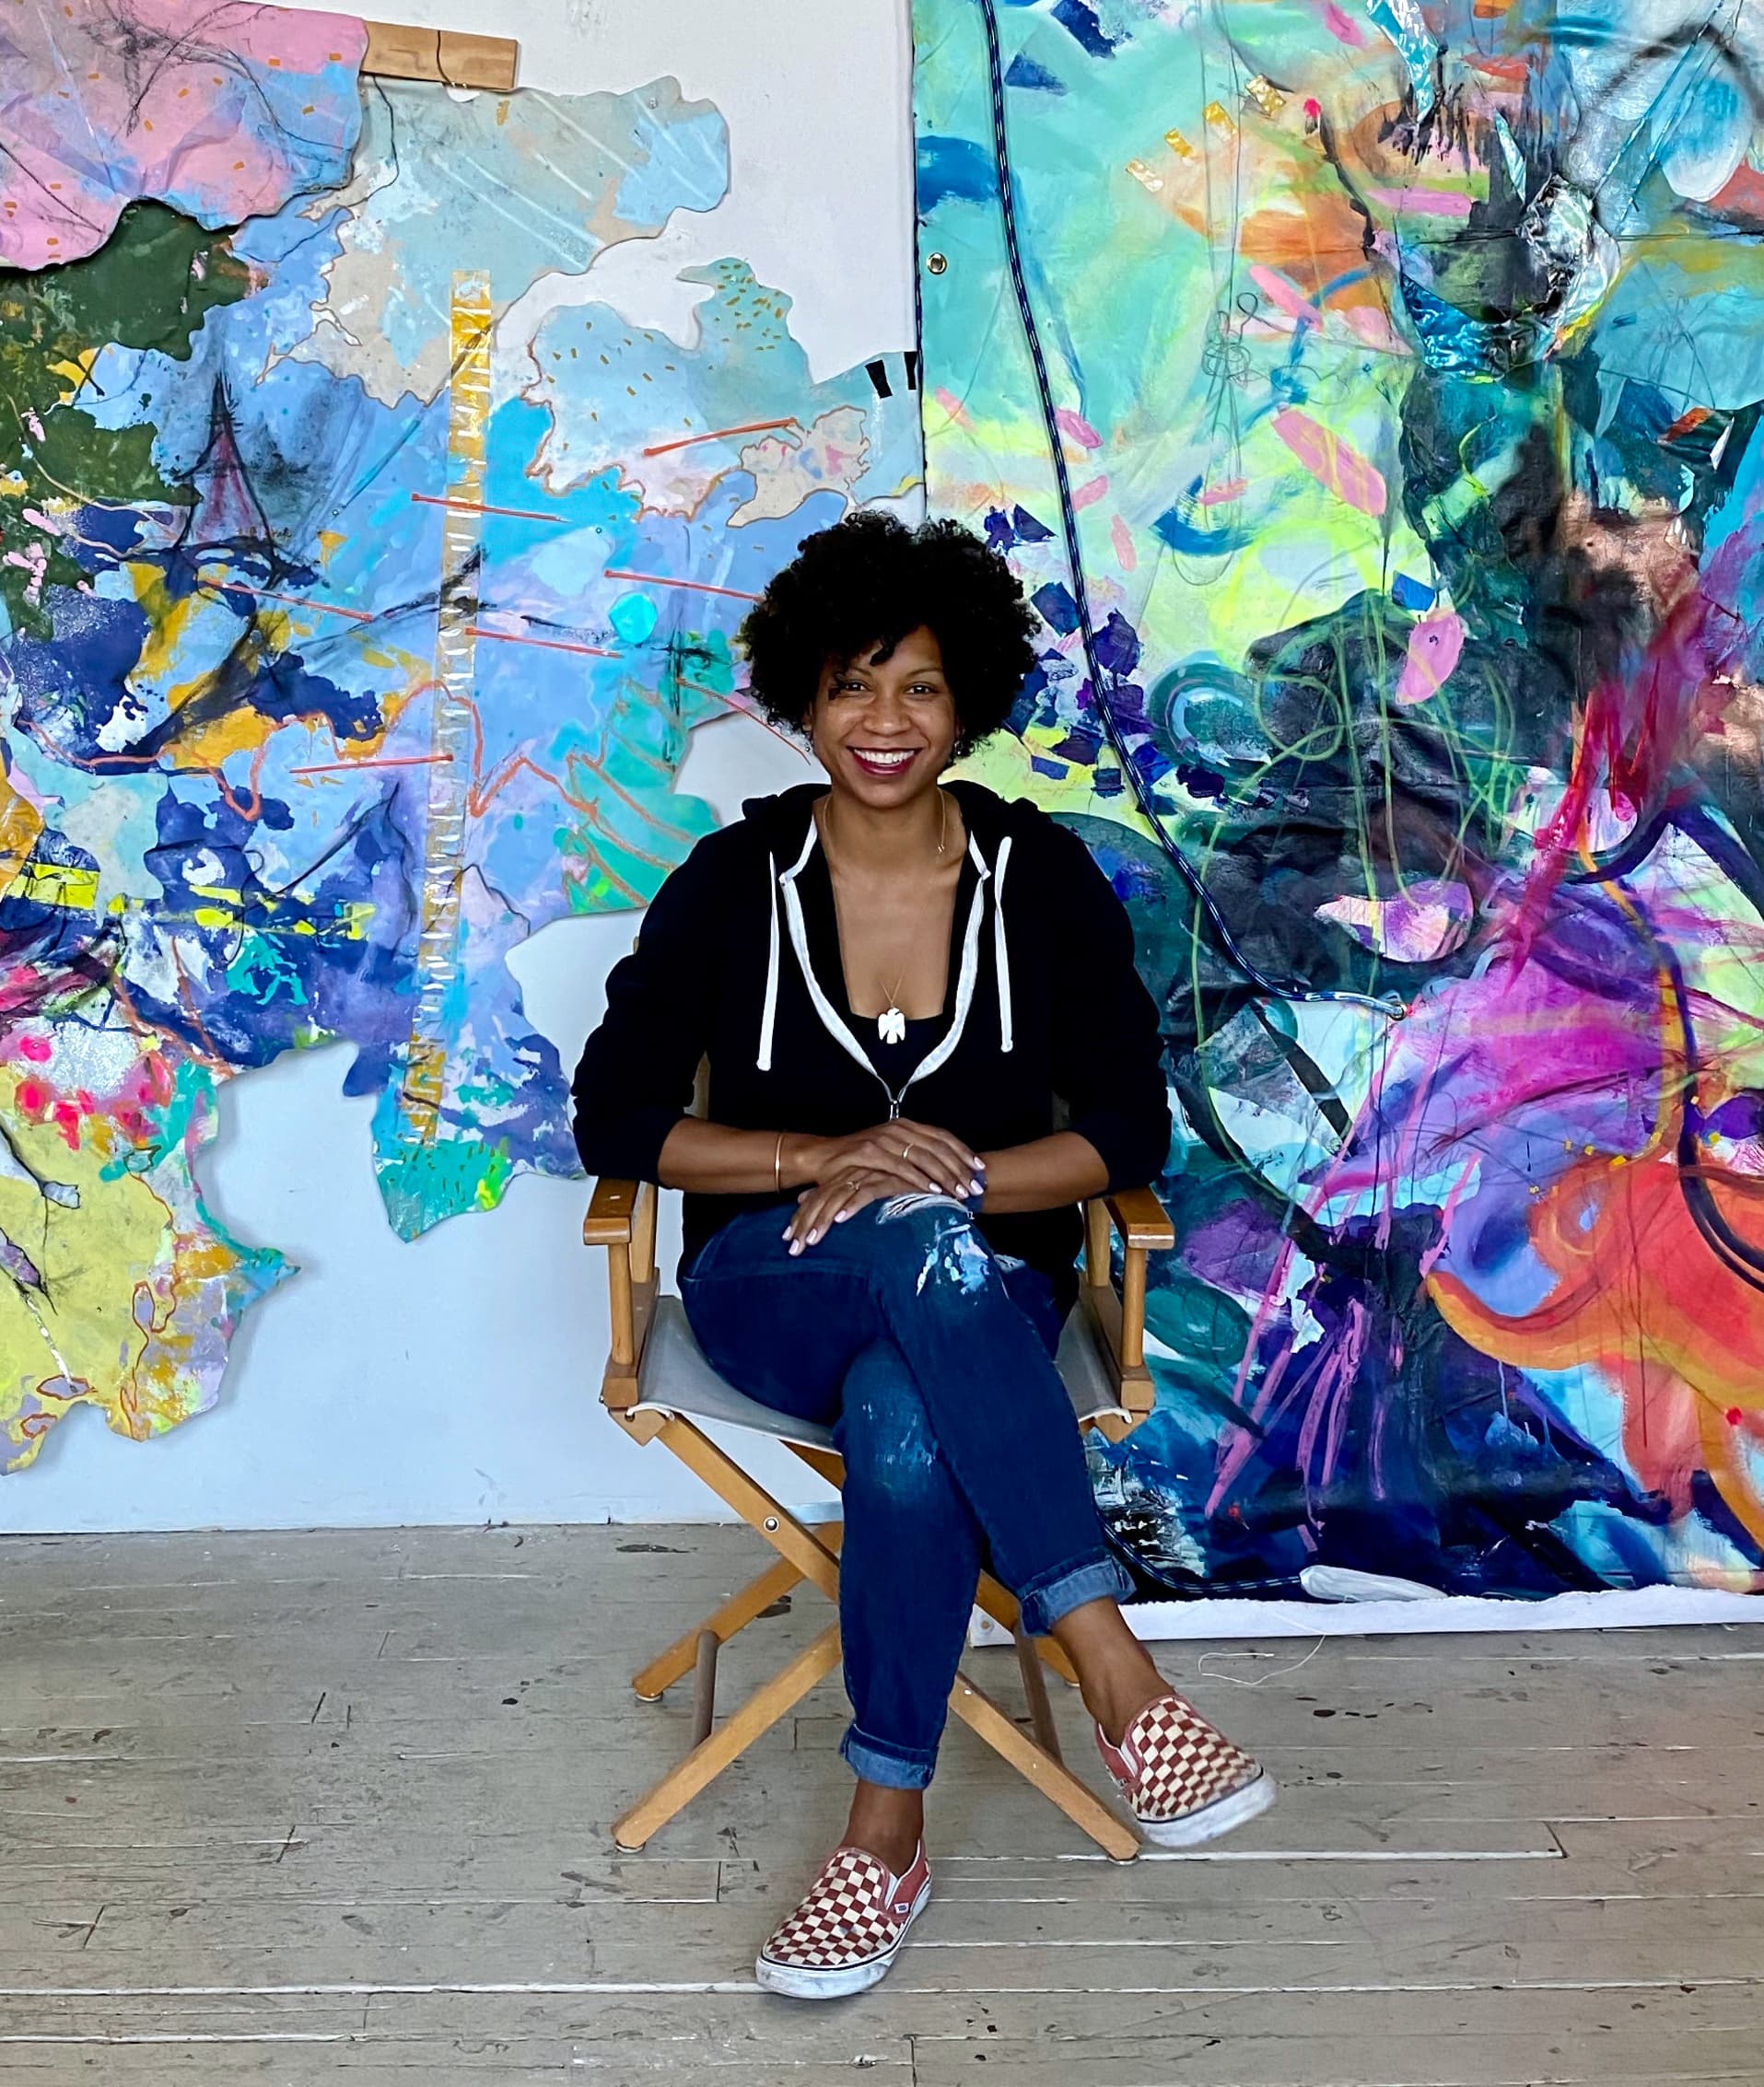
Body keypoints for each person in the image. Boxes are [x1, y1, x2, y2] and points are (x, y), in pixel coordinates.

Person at [573, 512, 1272, 2001]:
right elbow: (616, 1117)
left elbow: (1127, 1130)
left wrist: (949, 1179)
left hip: (982, 1296)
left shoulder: (1042, 878)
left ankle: (881, 1832)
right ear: (802, 698)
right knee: (907, 1241)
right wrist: (822, 1159)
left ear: (969, 705)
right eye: (851, 684)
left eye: (921, 686)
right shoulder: (732, 880)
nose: (884, 720)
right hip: (770, 1284)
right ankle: (1111, 1660)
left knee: (903, 1415)